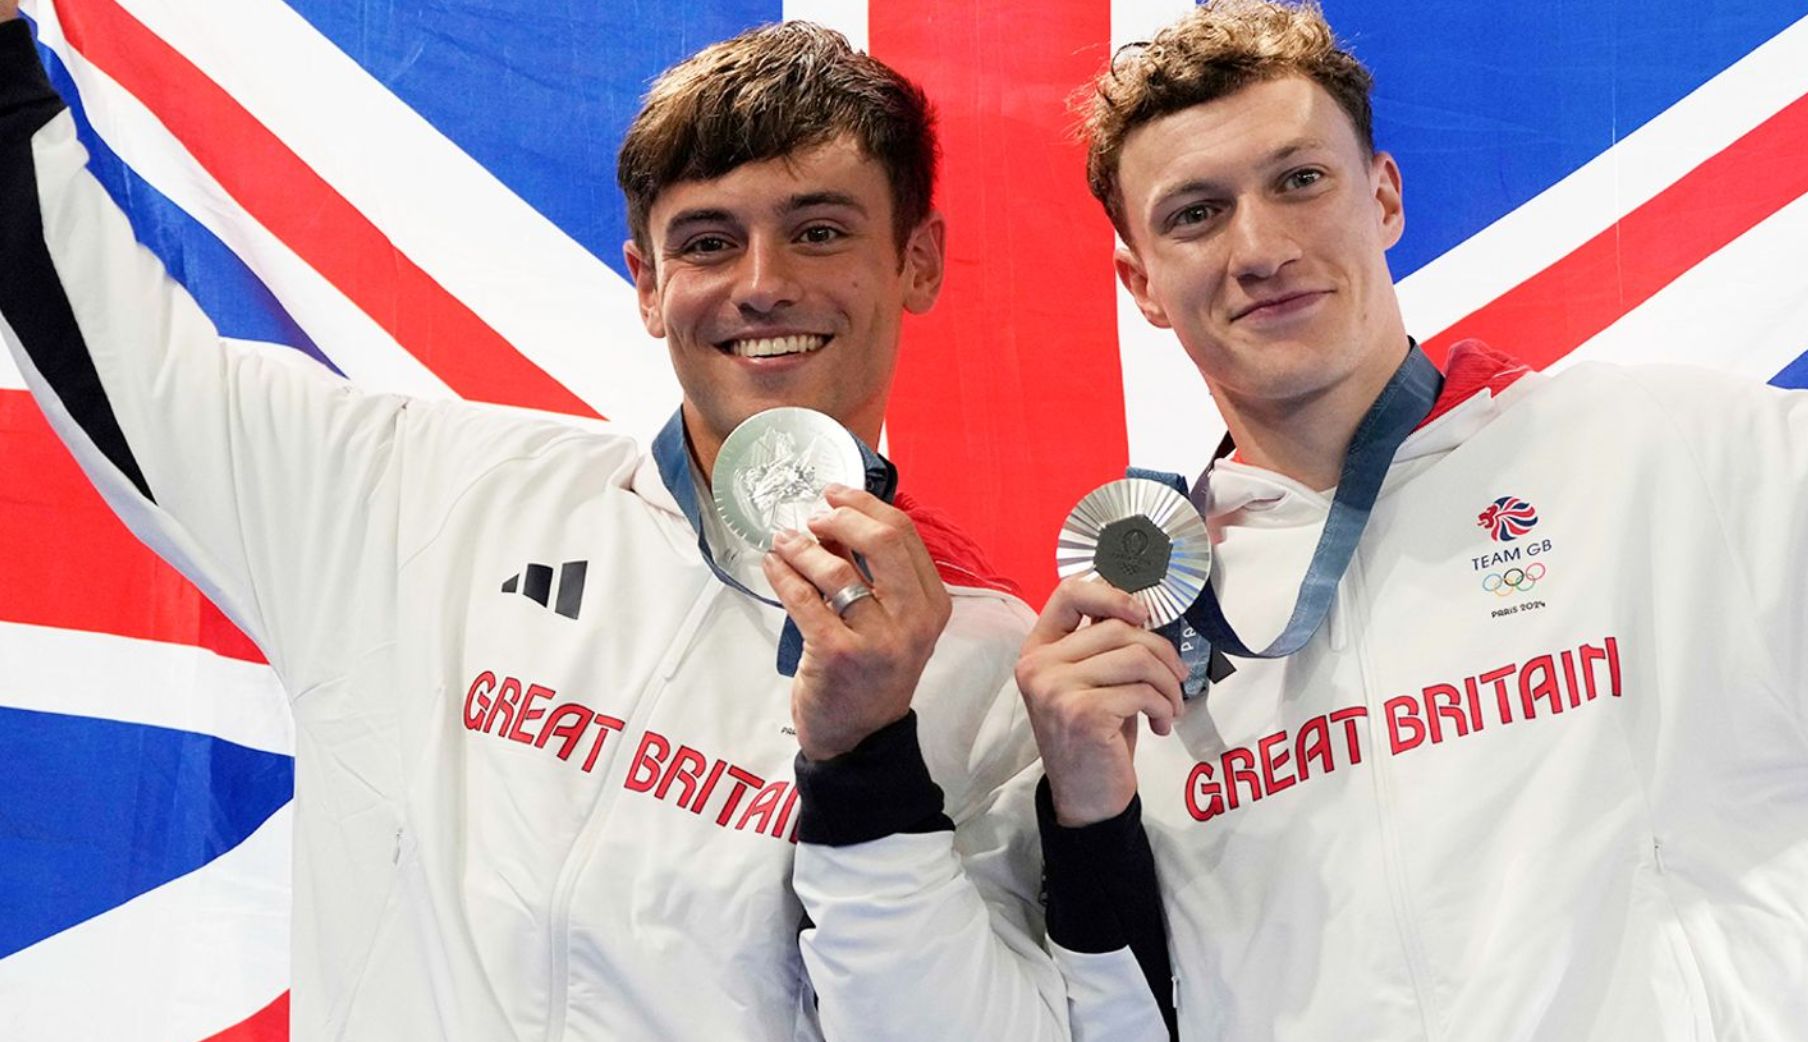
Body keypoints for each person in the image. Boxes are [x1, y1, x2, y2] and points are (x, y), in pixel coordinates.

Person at [0, 9, 1073, 1040]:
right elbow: (120, 358)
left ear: (917, 261)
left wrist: (866, 761)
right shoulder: (424, 497)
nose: (761, 284)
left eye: (819, 231)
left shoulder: (984, 667)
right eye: (707, 242)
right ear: (645, 284)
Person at [1017, 2, 1808, 1039]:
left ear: (1383, 197)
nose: (1258, 247)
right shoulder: (1133, 634)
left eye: (1298, 180)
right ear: (1141, 285)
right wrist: (1087, 821)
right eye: (1194, 214)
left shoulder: (1663, 460)